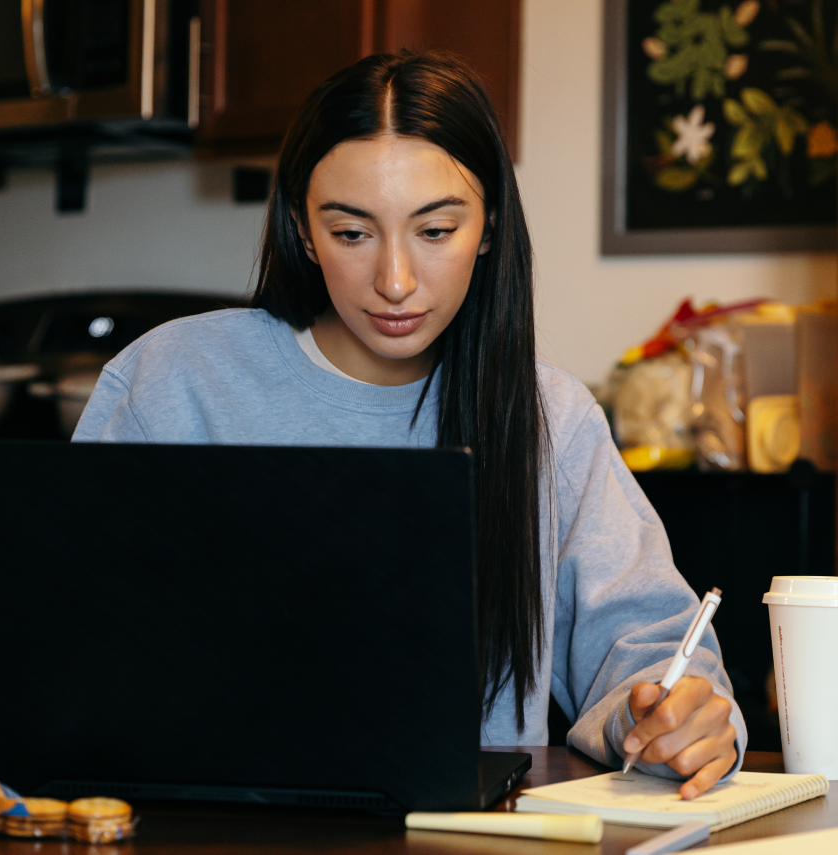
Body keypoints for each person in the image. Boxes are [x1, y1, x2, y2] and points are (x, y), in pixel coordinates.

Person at [74, 51, 746, 799]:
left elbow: (649, 650)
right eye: (353, 233)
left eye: (435, 230)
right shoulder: (173, 382)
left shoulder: (549, 419)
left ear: (488, 227)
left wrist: (670, 714)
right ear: (301, 228)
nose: (394, 280)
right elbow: (70, 652)